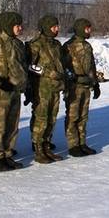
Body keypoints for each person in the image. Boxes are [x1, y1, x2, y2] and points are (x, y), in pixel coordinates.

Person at [0, 11, 28, 171]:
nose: (20, 28)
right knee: (0, 123)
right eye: (17, 25)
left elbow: (22, 66)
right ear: (8, 26)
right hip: (1, 91)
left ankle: (8, 153)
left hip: (15, 89)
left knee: (12, 124)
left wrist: (24, 84)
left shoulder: (18, 44)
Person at [26, 15, 66, 164]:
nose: (57, 29)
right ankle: (38, 149)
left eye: (57, 26)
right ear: (46, 27)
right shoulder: (35, 45)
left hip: (55, 87)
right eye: (54, 26)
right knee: (41, 119)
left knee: (52, 118)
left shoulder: (56, 44)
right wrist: (48, 72)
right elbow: (29, 65)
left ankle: (46, 146)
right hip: (42, 87)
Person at [62, 18, 100, 156]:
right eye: (87, 28)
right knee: (73, 116)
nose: (89, 30)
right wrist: (73, 78)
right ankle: (73, 145)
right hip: (74, 87)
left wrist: (95, 84)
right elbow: (64, 67)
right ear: (80, 29)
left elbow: (92, 66)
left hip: (86, 86)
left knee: (83, 116)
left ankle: (82, 143)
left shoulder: (88, 46)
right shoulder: (68, 46)